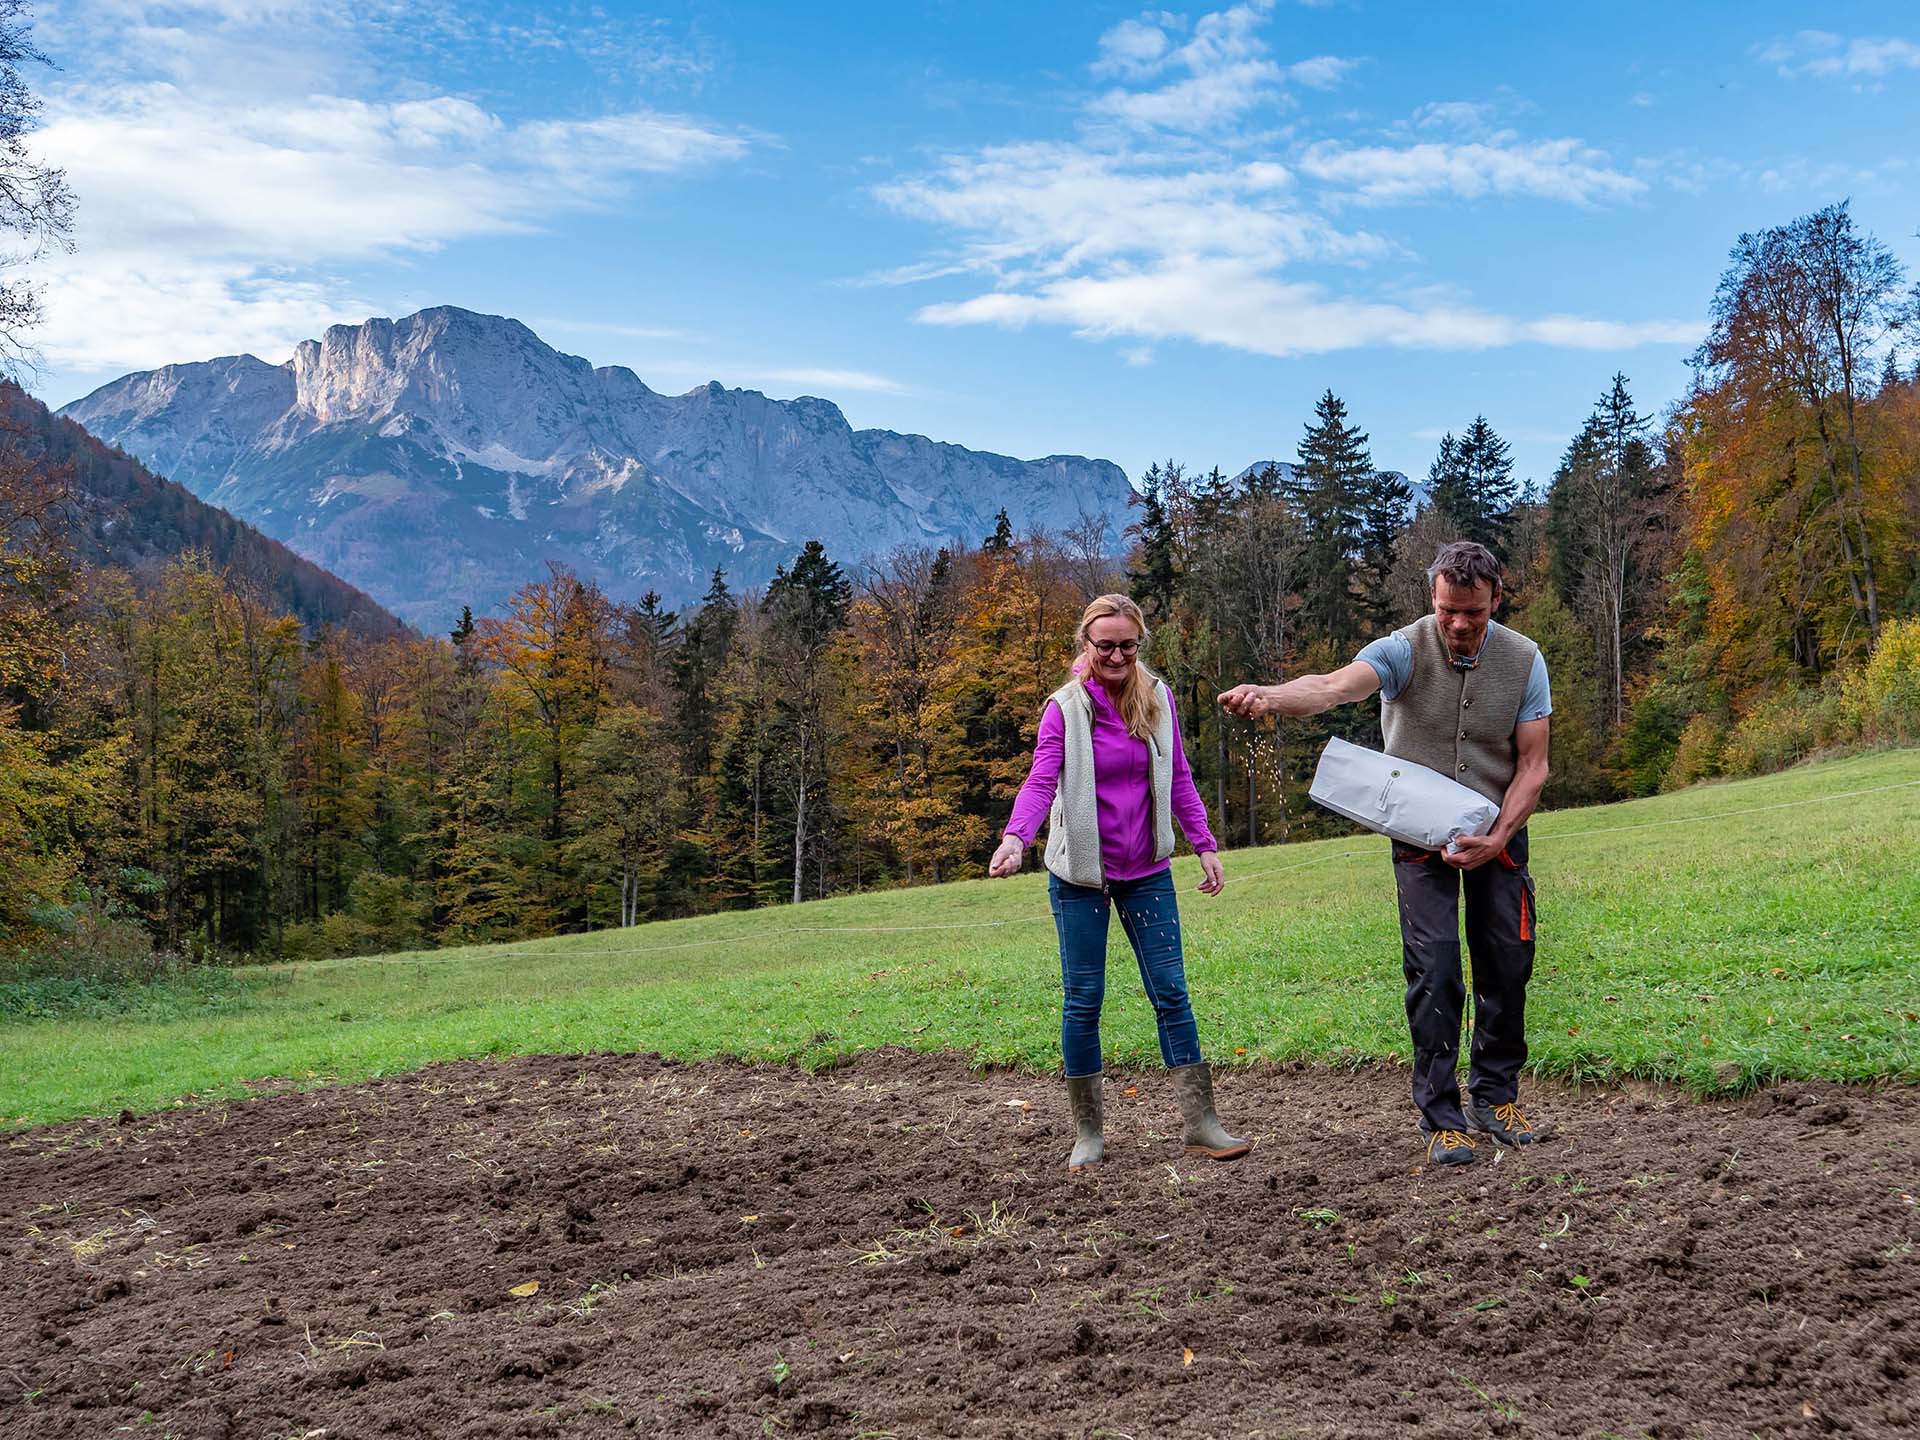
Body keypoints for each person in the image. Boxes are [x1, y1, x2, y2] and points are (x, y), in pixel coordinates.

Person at [1219, 541, 1551, 1167]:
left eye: (1473, 613)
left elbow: (1533, 765)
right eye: (1448, 610)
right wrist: (1270, 696)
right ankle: (1442, 1116)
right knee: (1437, 969)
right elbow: (1331, 688)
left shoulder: (1525, 660)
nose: (1458, 625)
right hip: (1420, 833)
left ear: (1495, 601)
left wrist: (1501, 837)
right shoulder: (1402, 650)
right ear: (1433, 598)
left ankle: (1495, 1096)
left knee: (1508, 961)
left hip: (1498, 829)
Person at [989, 593, 1249, 1172]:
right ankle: (1089, 1132)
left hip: (1147, 870)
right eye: (1104, 645)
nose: (1116, 655)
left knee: (1171, 991)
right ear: (1086, 644)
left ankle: (1201, 1124)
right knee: (1084, 999)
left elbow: (1179, 775)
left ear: (1138, 645)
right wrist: (1015, 838)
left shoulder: (1157, 698)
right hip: (1080, 874)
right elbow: (1040, 780)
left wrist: (1203, 843)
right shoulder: (1065, 708)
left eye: (1127, 646)